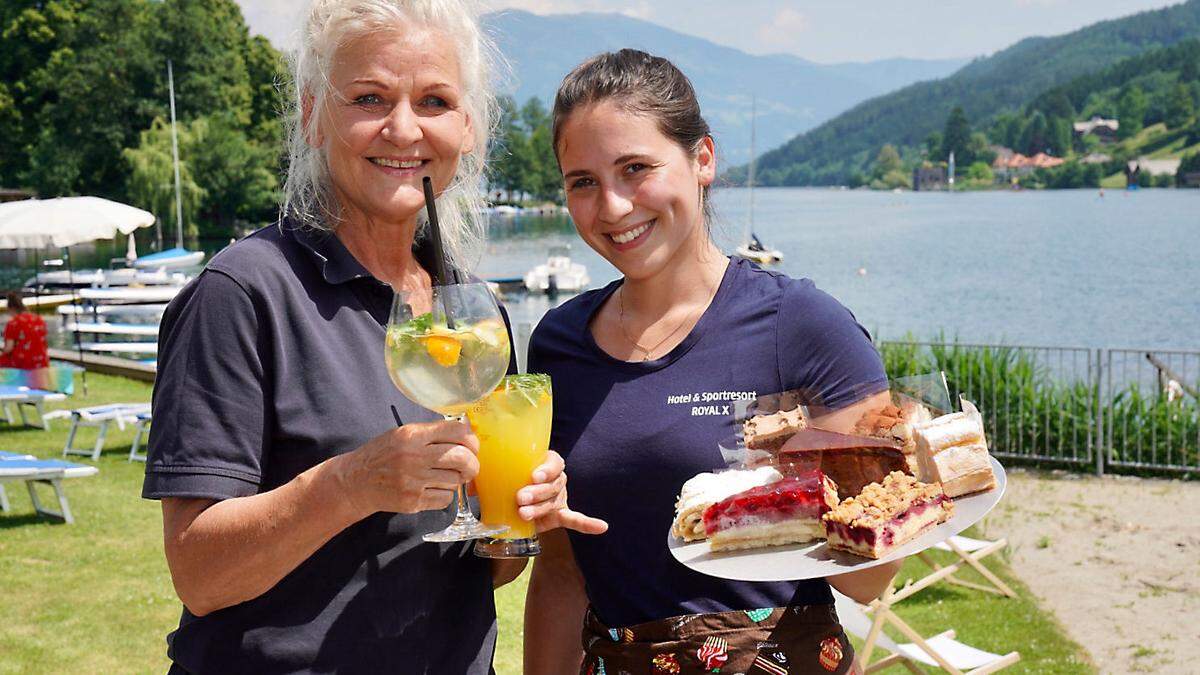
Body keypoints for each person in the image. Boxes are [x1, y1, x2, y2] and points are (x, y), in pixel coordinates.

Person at [142, 2, 602, 673]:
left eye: (435, 101)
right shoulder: (242, 293)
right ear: (312, 115)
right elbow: (200, 574)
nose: (404, 128)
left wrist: (518, 517)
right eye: (369, 98)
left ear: (467, 126)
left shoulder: (476, 313)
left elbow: (483, 571)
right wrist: (352, 483)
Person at [524, 49, 901, 674]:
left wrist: (798, 485)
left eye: (635, 168)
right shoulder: (559, 343)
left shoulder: (803, 325)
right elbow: (563, 572)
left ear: (702, 159)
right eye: (583, 181)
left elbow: (874, 578)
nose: (612, 206)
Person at [0, 292, 49, 370]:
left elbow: (9, 348)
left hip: (23, 364)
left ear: (11, 309)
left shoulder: (13, 323)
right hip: (42, 362)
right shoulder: (39, 319)